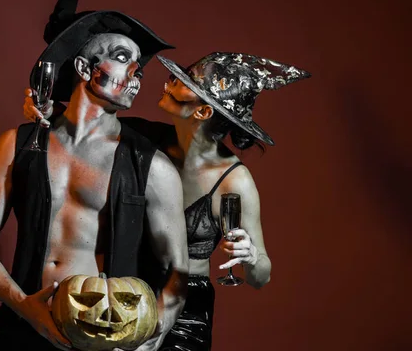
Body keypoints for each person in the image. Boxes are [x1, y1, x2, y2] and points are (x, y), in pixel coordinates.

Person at [0, 0, 189, 351]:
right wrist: (25, 309)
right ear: (84, 69)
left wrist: (151, 334)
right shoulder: (17, 145)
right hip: (23, 328)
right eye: (121, 58)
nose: (135, 76)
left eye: (139, 69)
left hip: (106, 337)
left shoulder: (152, 167)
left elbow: (178, 272)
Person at [25, 51, 311, 350]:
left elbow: (260, 277)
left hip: (186, 309)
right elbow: (76, 124)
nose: (169, 82)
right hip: (127, 294)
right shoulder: (144, 138)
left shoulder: (233, 180)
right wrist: (42, 107)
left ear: (202, 112)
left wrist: (251, 256)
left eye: (185, 82)